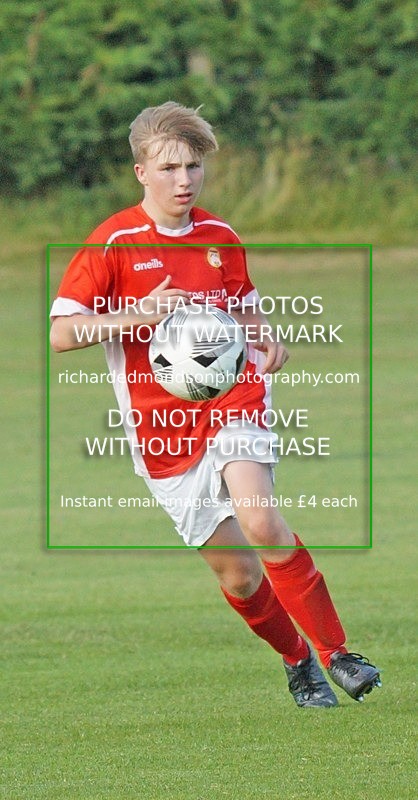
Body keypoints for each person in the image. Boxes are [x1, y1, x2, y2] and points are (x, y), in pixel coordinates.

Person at [50, 101, 381, 707]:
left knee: (261, 518)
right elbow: (62, 334)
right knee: (240, 573)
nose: (184, 181)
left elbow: (244, 302)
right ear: (141, 172)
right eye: (170, 167)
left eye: (194, 167)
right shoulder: (114, 242)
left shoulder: (219, 237)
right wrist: (140, 312)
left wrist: (263, 335)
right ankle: (296, 657)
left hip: (235, 400)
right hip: (163, 435)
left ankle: (339, 653)